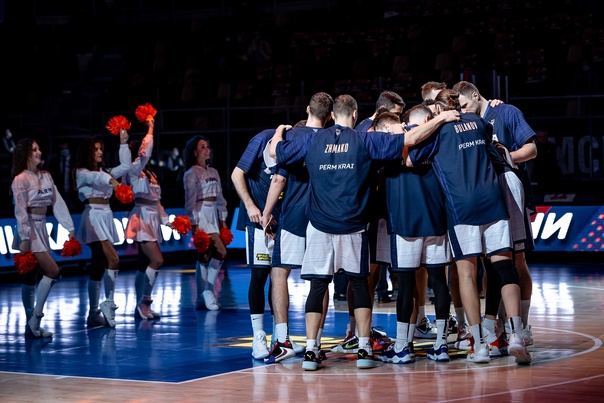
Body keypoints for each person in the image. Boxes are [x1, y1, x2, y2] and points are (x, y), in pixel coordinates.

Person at [268, 94, 460, 371]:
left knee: (318, 286)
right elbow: (410, 139)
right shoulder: (364, 140)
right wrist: (441, 118)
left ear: (332, 116)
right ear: (355, 114)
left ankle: (311, 351)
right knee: (359, 285)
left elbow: (276, 152)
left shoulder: (312, 140)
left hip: (319, 225)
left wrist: (278, 131)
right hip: (353, 224)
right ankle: (363, 348)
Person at [407, 89, 532, 365]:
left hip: (461, 206)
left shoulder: (436, 132)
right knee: (504, 266)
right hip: (493, 200)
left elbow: (409, 159)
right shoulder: (478, 122)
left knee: (466, 273)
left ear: (437, 111)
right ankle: (516, 335)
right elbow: (488, 141)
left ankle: (479, 345)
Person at [453, 80, 537, 346]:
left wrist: (505, 156)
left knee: (517, 259)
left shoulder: (506, 112)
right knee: (492, 260)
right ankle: (496, 324)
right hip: (485, 194)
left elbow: (532, 150)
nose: (463, 110)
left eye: (465, 104)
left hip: (511, 187)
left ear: (475, 95)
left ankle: (523, 326)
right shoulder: (465, 124)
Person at [260, 92, 334, 364]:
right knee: (319, 280)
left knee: (279, 273)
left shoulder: (292, 139)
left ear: (307, 109)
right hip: (323, 218)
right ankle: (316, 342)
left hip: (293, 216)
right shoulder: (333, 140)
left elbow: (278, 180)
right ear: (330, 116)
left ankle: (282, 341)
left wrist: (266, 213)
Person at [379, 104, 452, 364]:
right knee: (439, 283)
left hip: (405, 223)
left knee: (407, 286)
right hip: (435, 221)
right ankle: (441, 344)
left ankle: (403, 346)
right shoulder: (439, 138)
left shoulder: (393, 140)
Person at [11, 138, 76, 338]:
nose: (39, 152)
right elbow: (20, 210)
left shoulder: (46, 175)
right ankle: (35, 318)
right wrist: (24, 236)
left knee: (31, 276)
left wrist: (69, 226)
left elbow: (57, 202)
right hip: (29, 229)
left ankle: (31, 326)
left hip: (42, 227)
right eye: (34, 150)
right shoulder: (20, 179)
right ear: (25, 154)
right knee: (53, 270)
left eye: (39, 149)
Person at [231, 127, 283, 360]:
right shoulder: (262, 139)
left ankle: (279, 337)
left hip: (280, 222)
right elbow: (236, 174)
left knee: (279, 278)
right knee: (260, 275)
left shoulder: (296, 146)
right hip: (257, 222)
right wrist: (251, 206)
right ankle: (258, 336)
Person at [76, 129, 131, 328]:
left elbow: (125, 166)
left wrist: (123, 143)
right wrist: (113, 183)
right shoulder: (82, 173)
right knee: (113, 258)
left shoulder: (105, 172)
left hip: (106, 216)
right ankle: (109, 302)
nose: (100, 152)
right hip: (92, 217)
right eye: (95, 149)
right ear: (87, 153)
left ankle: (93, 314)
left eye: (101, 149)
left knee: (98, 265)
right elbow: (97, 179)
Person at [124, 116, 169, 319]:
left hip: (152, 218)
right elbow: (145, 151)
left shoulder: (150, 173)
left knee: (143, 263)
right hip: (141, 218)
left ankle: (139, 305)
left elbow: (157, 201)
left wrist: (168, 221)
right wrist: (150, 129)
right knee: (156, 260)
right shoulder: (133, 170)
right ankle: (144, 302)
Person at [183, 135, 229, 311]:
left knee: (207, 256)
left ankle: (201, 297)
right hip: (201, 213)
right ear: (195, 152)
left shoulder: (214, 172)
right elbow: (190, 201)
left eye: (207, 146)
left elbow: (221, 198)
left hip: (213, 215)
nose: (206, 149)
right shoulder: (191, 173)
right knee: (217, 252)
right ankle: (207, 292)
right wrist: (194, 224)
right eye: (202, 147)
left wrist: (223, 220)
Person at [48, 141, 78, 212]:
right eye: (62, 148)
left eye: (65, 148)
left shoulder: (75, 161)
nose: (64, 150)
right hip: (59, 191)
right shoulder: (55, 161)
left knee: (73, 210)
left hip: (72, 192)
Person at [531, 128, 564, 193]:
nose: (543, 138)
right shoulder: (533, 149)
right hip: (538, 178)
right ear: (537, 137)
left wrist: (565, 175)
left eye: (544, 136)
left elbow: (561, 163)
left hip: (553, 178)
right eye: (540, 137)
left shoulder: (553, 147)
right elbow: (530, 165)